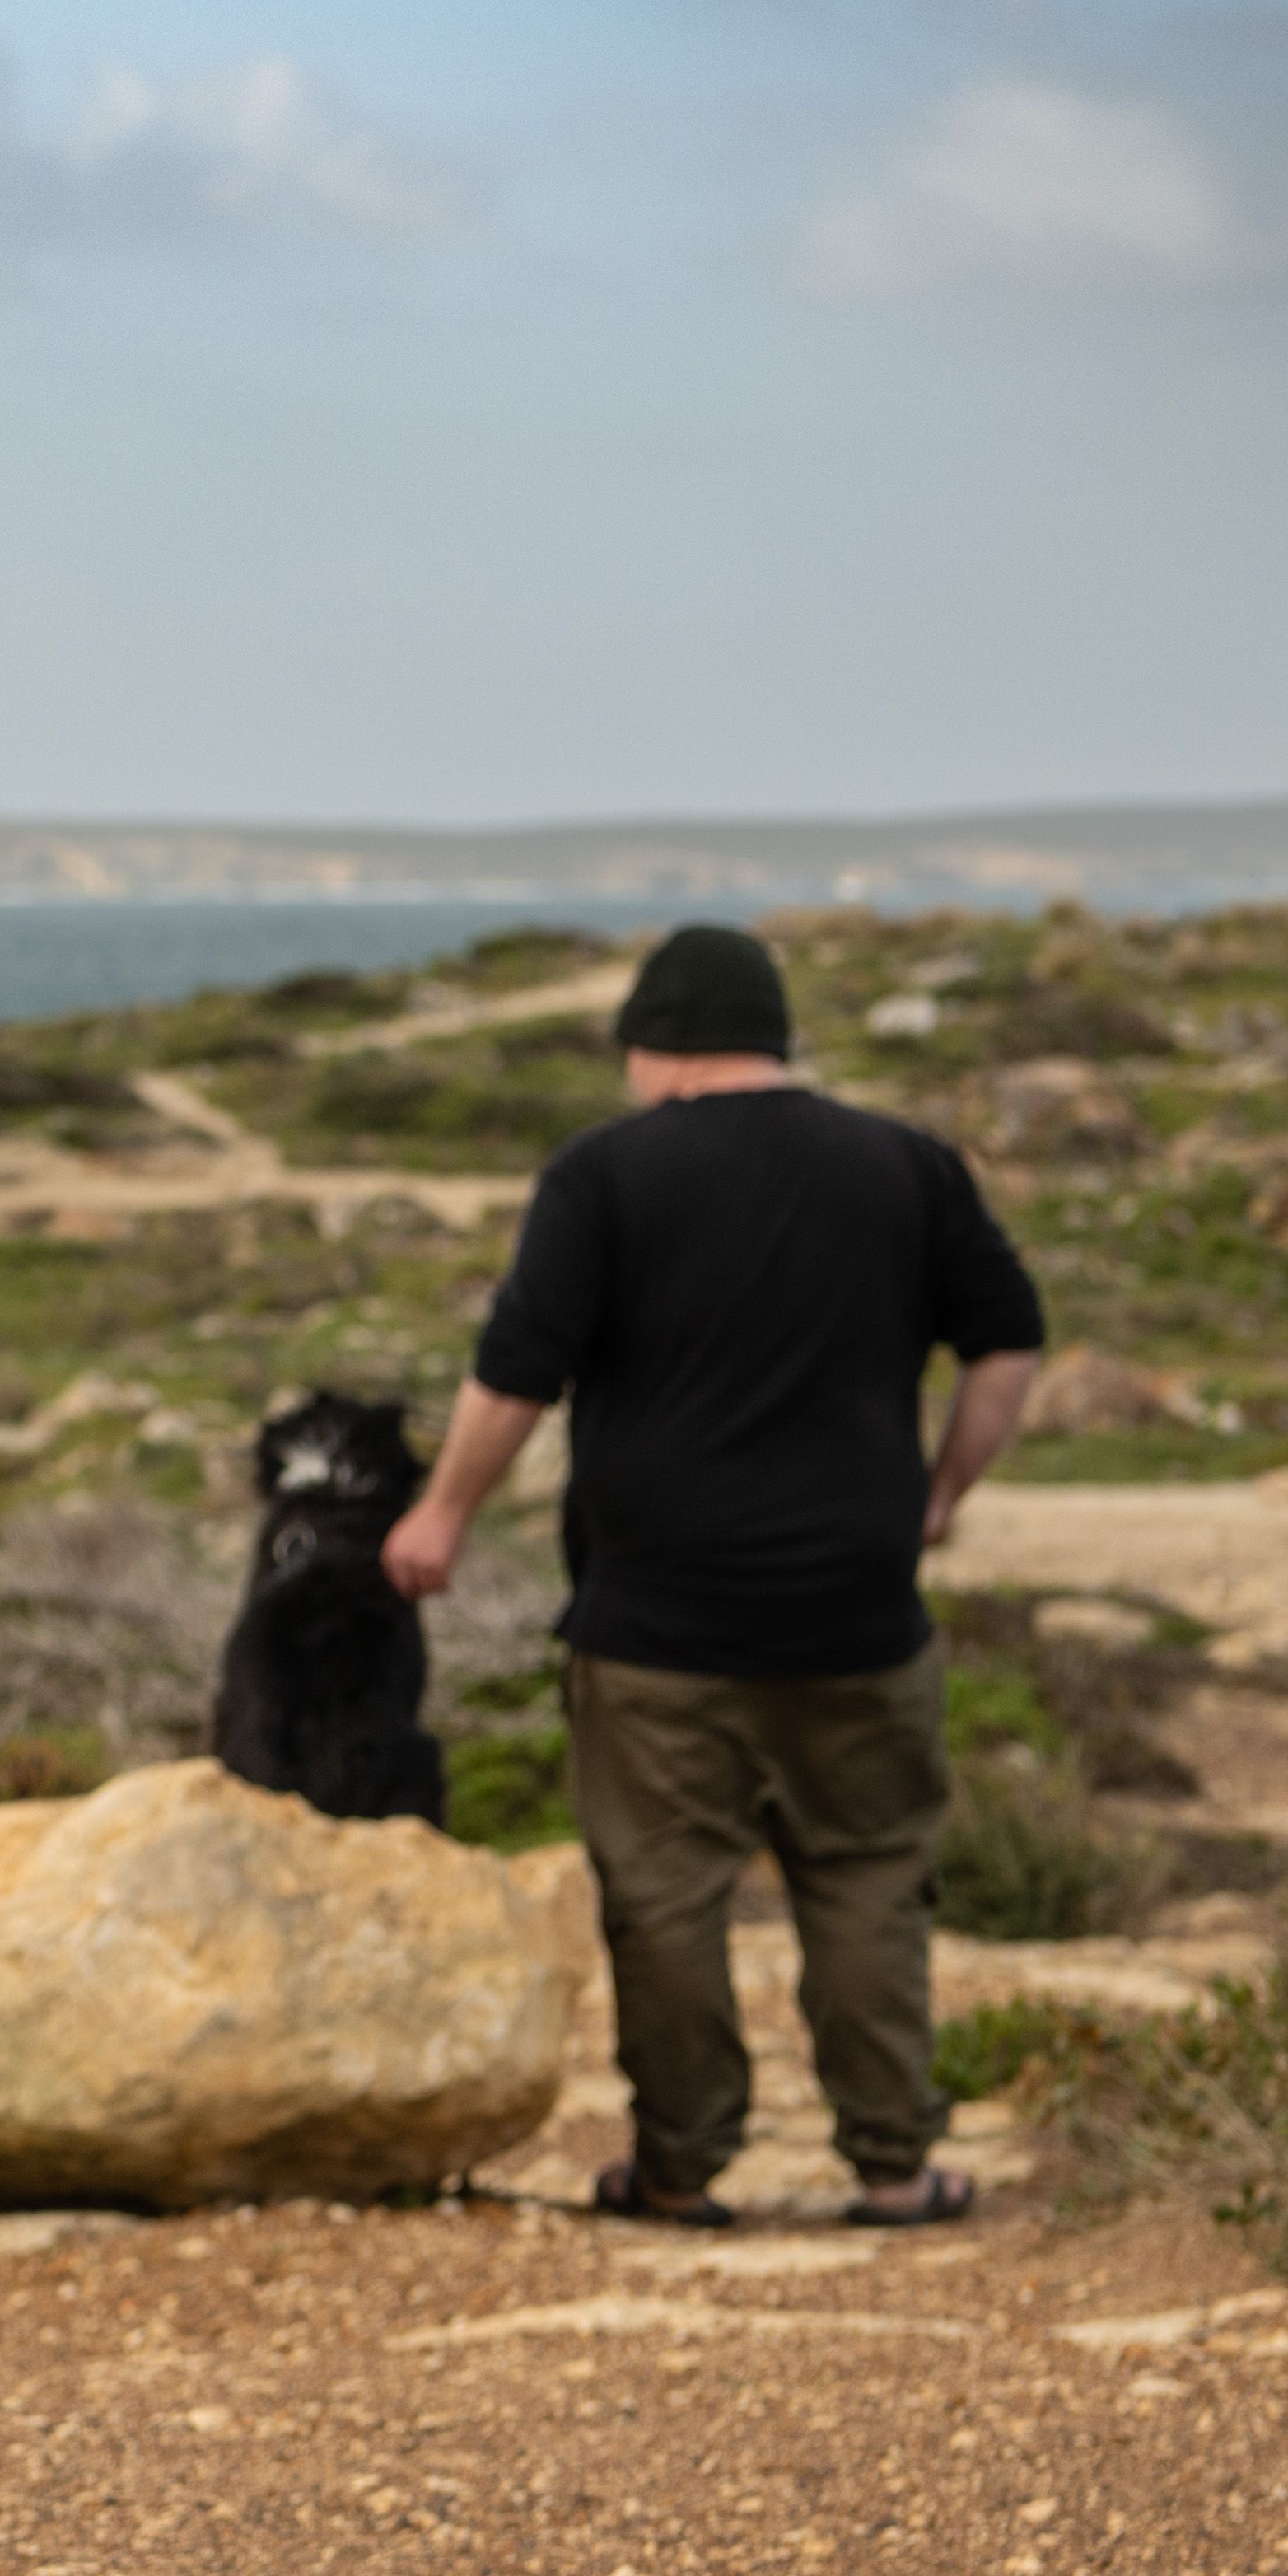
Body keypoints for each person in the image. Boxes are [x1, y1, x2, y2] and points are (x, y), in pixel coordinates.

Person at [380, 921, 1046, 2228]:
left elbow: (519, 1372)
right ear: (774, 1037)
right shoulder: (906, 1166)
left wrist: (442, 1514)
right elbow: (1007, 1347)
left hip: (657, 1625)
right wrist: (942, 1495)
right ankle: (896, 2167)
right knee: (867, 1880)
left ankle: (681, 2170)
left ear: (657, 1050)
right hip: (860, 1612)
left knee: (664, 1897)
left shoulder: (603, 1177)